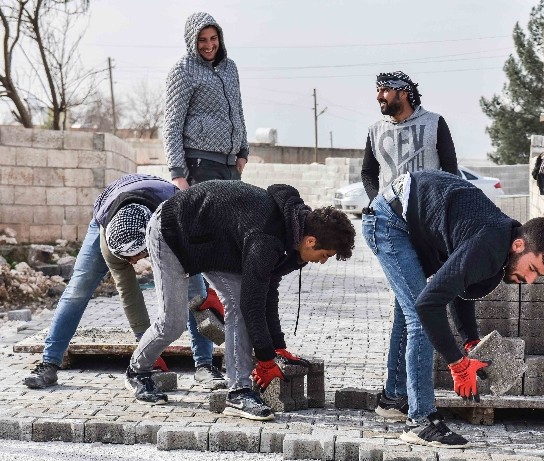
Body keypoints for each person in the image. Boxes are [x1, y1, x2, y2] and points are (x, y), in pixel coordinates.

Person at [118, 181, 356, 421]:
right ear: (311, 241)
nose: (322, 262)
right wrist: (264, 359)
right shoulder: (267, 239)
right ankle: (137, 371)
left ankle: (238, 392)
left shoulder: (291, 231)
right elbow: (253, 304)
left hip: (211, 242)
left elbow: (267, 291)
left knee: (238, 306)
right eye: (325, 256)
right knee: (173, 322)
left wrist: (276, 347)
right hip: (172, 232)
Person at [363, 170, 544, 447]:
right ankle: (420, 421)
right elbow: (430, 305)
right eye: (531, 269)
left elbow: (458, 288)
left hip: (408, 218)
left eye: (537, 276)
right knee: (418, 315)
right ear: (519, 245)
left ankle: (394, 398)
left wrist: (471, 341)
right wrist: (458, 364)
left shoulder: (499, 249)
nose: (529, 281)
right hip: (390, 220)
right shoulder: (489, 245)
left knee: (409, 307)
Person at [22, 174, 224, 390]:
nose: (133, 263)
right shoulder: (110, 242)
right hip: (110, 211)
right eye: (127, 259)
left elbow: (197, 265)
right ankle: (49, 363)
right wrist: (147, 351)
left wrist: (206, 287)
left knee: (195, 291)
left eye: (135, 256)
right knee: (78, 290)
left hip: (162, 210)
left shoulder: (177, 218)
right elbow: (130, 295)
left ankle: (204, 365)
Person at [163, 12, 249, 191]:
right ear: (192, 41)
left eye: (213, 38)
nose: (209, 45)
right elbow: (172, 125)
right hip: (201, 166)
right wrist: (178, 174)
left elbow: (238, 111)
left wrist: (243, 151)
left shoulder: (230, 68)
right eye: (202, 40)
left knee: (235, 219)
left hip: (232, 167)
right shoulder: (183, 71)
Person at [361, 71, 459, 201]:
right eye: (378, 90)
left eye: (385, 90)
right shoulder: (375, 130)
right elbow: (368, 172)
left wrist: (442, 201)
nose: (378, 96)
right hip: (389, 214)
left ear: (403, 93)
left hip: (427, 212)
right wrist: (377, 202)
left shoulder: (434, 122)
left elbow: (450, 167)